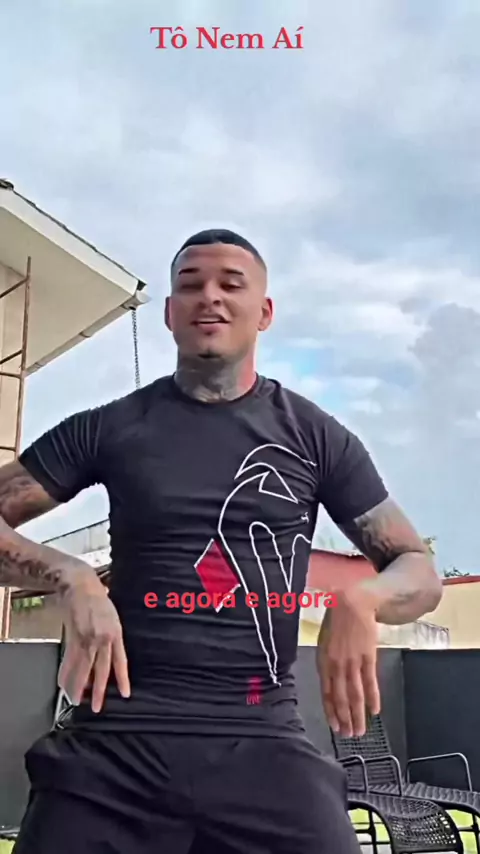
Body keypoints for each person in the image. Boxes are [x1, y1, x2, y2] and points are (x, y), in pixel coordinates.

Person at [0, 229, 442, 853]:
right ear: (169, 313)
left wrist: (363, 599)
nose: (210, 296)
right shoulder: (111, 428)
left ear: (264, 312)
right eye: (191, 284)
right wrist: (69, 576)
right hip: (114, 744)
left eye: (231, 284)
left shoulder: (315, 437)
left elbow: (416, 566)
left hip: (262, 738)